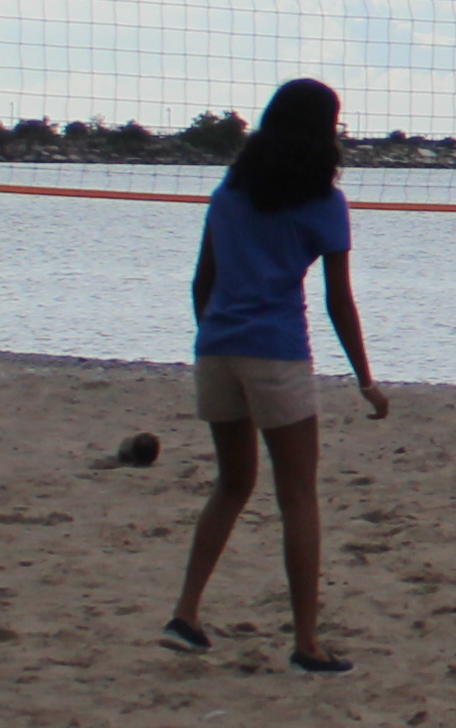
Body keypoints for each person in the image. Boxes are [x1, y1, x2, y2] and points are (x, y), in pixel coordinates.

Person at [165, 77, 386, 673]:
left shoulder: (230, 191)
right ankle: (307, 643)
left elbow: (201, 282)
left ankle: (185, 613)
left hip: (217, 349)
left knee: (231, 484)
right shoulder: (323, 201)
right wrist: (366, 378)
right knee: (298, 495)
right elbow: (339, 300)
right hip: (276, 353)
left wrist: (213, 339)